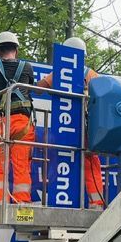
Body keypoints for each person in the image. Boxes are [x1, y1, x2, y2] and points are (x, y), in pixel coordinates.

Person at [37, 37, 105, 209]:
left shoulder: (59, 73)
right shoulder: (91, 74)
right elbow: (101, 98)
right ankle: (96, 202)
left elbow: (39, 88)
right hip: (86, 126)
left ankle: (62, 200)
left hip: (65, 127)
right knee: (90, 161)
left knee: (62, 158)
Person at [0, 31, 36, 204]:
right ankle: (22, 203)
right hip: (22, 124)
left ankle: (0, 202)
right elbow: (30, 87)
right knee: (21, 165)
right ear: (16, 50)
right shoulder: (27, 68)